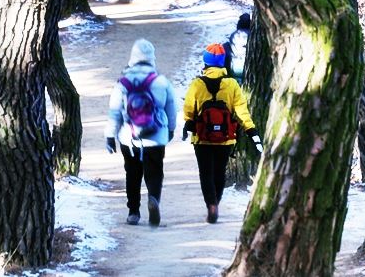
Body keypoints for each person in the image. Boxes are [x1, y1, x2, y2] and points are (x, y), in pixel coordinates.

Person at [183, 43, 262, 223]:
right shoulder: (232, 84)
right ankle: (216, 202)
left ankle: (210, 204)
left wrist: (189, 123)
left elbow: (189, 108)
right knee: (219, 172)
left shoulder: (197, 84)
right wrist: (251, 129)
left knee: (205, 172)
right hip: (225, 139)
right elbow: (241, 110)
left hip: (202, 138)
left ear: (206, 61)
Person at [106, 38, 177, 226]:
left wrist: (110, 135)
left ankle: (133, 211)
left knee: (132, 173)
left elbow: (114, 112)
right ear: (152, 58)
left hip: (129, 137)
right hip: (155, 136)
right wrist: (170, 129)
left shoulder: (123, 83)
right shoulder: (161, 81)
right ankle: (153, 199)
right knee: (154, 171)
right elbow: (171, 107)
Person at [224, 13, 251, 83]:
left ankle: (227, 77)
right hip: (250, 70)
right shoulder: (255, 37)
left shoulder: (234, 35)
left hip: (234, 68)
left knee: (225, 47)